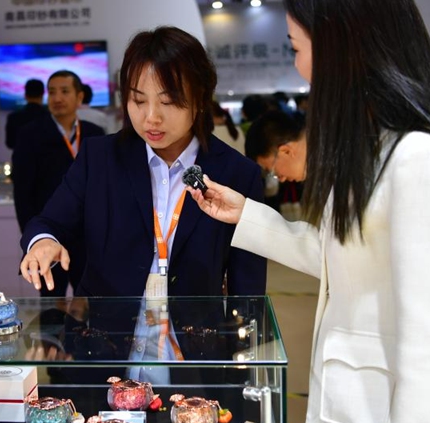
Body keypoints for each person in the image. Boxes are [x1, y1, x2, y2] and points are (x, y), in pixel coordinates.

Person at [187, 1, 430, 423]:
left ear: (340, 46)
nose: (299, 65)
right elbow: (337, 256)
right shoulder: (373, 149)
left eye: (298, 47)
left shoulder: (420, 158)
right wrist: (247, 215)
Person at [19, 26, 266, 301]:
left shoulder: (239, 174)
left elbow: (249, 289)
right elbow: (49, 221)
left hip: (194, 337)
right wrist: (43, 241)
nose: (151, 118)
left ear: (200, 99)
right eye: (138, 100)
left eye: (168, 101)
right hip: (105, 334)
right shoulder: (98, 158)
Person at [12, 70, 105, 297]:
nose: (57, 98)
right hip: (50, 234)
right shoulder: (30, 135)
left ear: (80, 97)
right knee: (51, 305)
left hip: (89, 238)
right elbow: (22, 192)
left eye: (65, 91)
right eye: (52, 92)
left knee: (92, 306)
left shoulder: (95, 135)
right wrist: (33, 238)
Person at [5, 78, 49, 149]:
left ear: (25, 95)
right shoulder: (50, 117)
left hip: (21, 158)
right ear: (43, 94)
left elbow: (10, 143)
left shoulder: (13, 117)